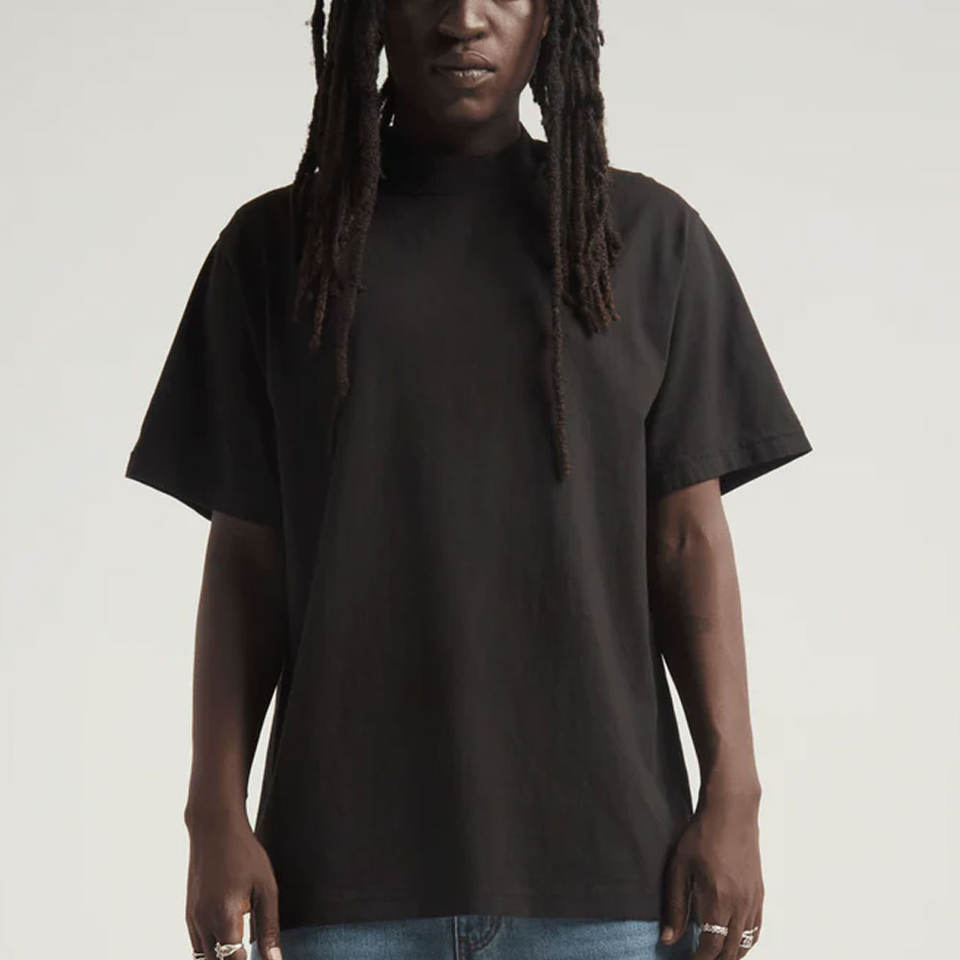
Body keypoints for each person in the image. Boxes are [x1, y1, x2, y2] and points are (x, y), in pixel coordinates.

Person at [124, 1, 813, 958]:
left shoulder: (649, 240)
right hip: (338, 882)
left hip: (609, 883)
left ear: (554, 19)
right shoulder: (275, 252)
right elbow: (246, 560)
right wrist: (213, 814)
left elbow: (688, 541)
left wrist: (733, 795)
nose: (462, 19)